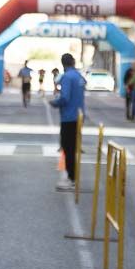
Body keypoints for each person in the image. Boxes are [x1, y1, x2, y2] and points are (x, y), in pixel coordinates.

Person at [51, 53, 86, 189]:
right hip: (79, 115)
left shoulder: (67, 77)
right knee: (73, 147)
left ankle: (71, 179)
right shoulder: (78, 76)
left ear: (63, 63)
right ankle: (72, 177)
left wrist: (55, 103)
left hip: (69, 117)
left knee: (68, 148)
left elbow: (65, 97)